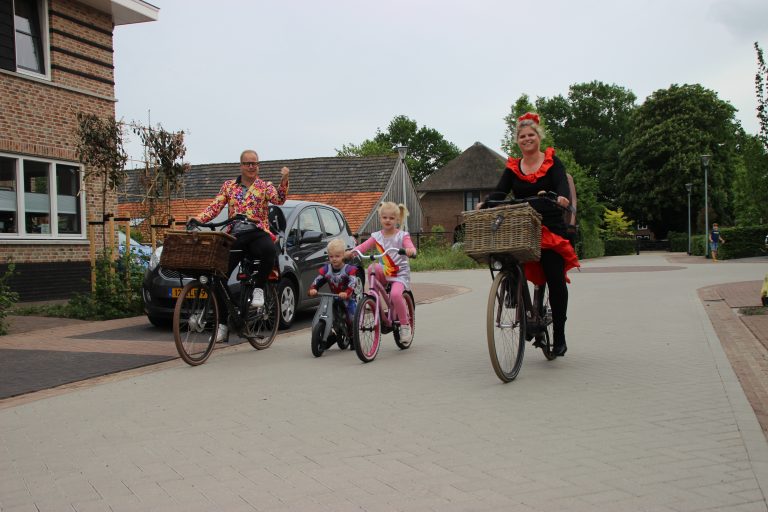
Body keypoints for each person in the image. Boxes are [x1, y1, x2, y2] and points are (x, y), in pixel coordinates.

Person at [485, 112, 579, 357]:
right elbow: (500, 192)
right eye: (522, 136)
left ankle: (559, 334)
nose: (527, 139)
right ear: (517, 140)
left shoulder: (551, 162)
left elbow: (560, 185)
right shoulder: (513, 167)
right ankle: (517, 300)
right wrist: (485, 204)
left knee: (555, 279)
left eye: (531, 135)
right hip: (522, 226)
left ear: (539, 137)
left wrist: (561, 197)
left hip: (548, 226)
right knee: (508, 258)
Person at [191, 149, 289, 342]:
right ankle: (224, 324)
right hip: (234, 235)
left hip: (256, 232)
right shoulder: (229, 186)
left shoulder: (264, 186)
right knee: (218, 276)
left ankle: (259, 288)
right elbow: (215, 206)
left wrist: (284, 179)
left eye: (255, 163)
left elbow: (280, 199)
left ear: (258, 166)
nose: (251, 167)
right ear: (241, 166)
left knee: (269, 250)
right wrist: (198, 219)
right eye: (247, 163)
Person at [345, 202, 417, 342]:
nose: (387, 220)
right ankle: (373, 299)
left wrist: (410, 251)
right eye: (384, 217)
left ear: (397, 219)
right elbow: (363, 247)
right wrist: (351, 253)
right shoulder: (377, 236)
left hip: (399, 274)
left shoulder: (402, 236)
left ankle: (404, 326)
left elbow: (410, 247)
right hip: (385, 271)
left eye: (391, 218)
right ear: (380, 218)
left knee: (396, 295)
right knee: (372, 267)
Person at [308, 238, 360, 330]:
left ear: (343, 255)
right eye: (331, 257)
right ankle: (327, 330)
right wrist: (313, 288)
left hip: (348, 298)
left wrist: (347, 293)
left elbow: (353, 282)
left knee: (352, 317)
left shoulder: (348, 269)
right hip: (332, 298)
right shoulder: (327, 270)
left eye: (337, 256)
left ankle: (353, 336)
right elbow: (318, 280)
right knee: (324, 311)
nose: (334, 259)